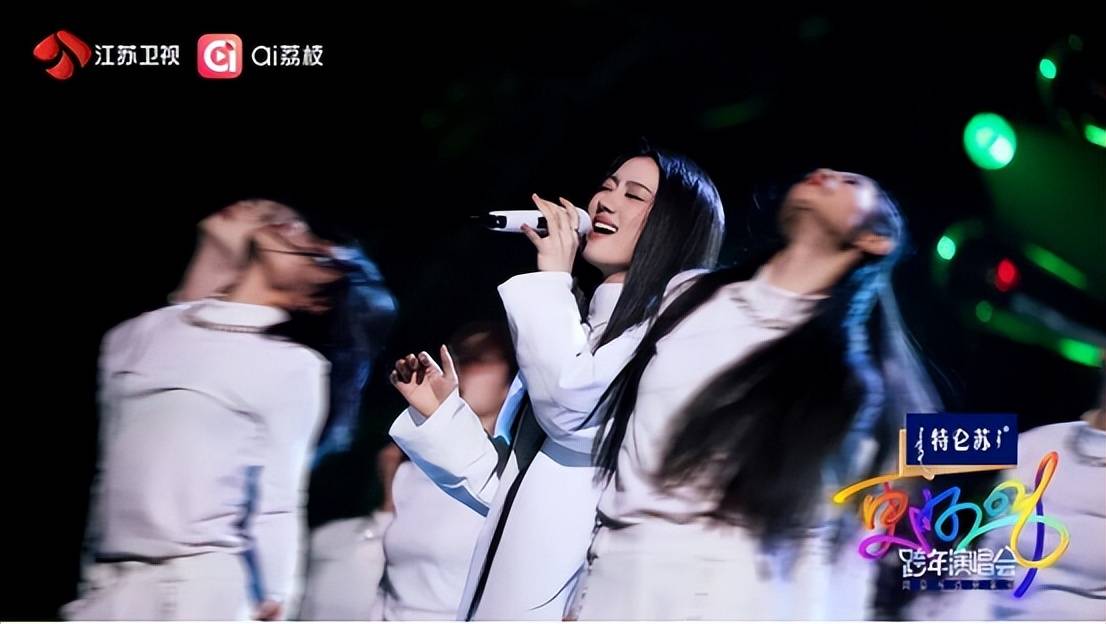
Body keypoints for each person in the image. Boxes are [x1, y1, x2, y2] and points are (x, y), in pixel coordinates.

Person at [569, 168, 940, 620]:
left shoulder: (843, 384)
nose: (825, 173)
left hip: (722, 595)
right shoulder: (691, 294)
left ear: (875, 240)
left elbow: (815, 540)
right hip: (614, 581)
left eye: (852, 183)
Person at [389, 143, 726, 619]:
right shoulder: (575, 330)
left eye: (634, 195)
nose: (604, 202)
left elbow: (571, 412)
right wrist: (443, 414)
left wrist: (552, 281)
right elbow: (510, 491)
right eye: (606, 186)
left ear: (675, 227)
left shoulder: (666, 336)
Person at [65, 222, 344, 621]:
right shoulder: (136, 334)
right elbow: (108, 470)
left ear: (316, 301)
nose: (298, 232)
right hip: (110, 585)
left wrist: (278, 596)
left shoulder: (292, 365)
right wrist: (90, 582)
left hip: (200, 589)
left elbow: (279, 501)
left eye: (319, 255)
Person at [376, 323, 517, 619]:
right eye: (457, 355)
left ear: (513, 377)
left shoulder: (515, 479)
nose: (462, 367)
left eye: (479, 358)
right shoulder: (407, 471)